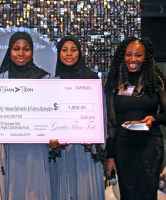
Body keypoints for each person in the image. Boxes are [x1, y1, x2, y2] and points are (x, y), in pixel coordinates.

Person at [104, 37, 166, 200]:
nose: (133, 59)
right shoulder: (115, 82)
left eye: (138, 55)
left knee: (148, 194)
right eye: (128, 54)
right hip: (123, 147)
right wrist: (110, 156)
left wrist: (154, 118)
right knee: (127, 194)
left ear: (146, 57)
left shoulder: (156, 80)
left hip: (150, 146)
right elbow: (111, 122)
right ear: (123, 56)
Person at [0, 32, 51, 200]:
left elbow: (50, 114)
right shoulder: (0, 79)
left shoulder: (44, 78)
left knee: (35, 191)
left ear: (32, 52)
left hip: (36, 148)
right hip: (9, 148)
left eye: (26, 49)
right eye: (16, 49)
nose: (21, 54)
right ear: (9, 51)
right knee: (11, 192)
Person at [48, 36, 106, 200]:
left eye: (73, 50)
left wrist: (95, 138)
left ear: (80, 53)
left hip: (85, 153)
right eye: (64, 50)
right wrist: (49, 139)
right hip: (62, 153)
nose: (69, 54)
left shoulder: (92, 80)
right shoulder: (52, 83)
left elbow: (102, 115)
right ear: (59, 53)